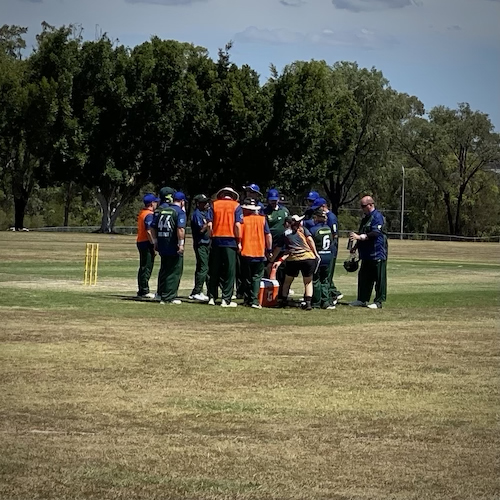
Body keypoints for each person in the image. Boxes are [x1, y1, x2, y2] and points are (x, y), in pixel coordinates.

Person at [272, 215, 320, 311]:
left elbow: (279, 248)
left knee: (288, 281)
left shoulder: (285, 234)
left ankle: (284, 300)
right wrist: (315, 253)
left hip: (293, 259)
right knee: (308, 282)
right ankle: (308, 302)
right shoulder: (302, 230)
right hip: (307, 257)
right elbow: (310, 240)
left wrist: (272, 259)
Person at [348, 195, 388, 309]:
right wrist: (355, 247)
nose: (362, 208)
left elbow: (375, 233)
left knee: (379, 278)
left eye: (364, 206)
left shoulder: (377, 216)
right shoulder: (365, 218)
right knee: (364, 277)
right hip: (365, 254)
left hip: (377, 252)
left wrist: (359, 237)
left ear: (371, 205)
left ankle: (378, 301)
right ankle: (362, 299)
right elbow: (361, 233)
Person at [207, 187, 243, 307]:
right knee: (229, 271)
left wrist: (212, 237)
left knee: (214, 269)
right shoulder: (236, 206)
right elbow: (237, 225)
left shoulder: (214, 204)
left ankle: (212, 297)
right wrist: (239, 241)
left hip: (216, 239)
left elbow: (209, 224)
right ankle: (225, 299)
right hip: (230, 240)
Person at [152, 189, 187, 305]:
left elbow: (153, 227)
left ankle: (160, 293)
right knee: (174, 270)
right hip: (172, 244)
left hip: (162, 242)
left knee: (164, 269)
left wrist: (155, 242)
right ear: (182, 201)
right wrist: (181, 244)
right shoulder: (179, 212)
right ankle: (169, 296)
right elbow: (180, 229)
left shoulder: (162, 210)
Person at [306, 197, 343, 301]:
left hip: (328, 250)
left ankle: (330, 295)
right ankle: (327, 296)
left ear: (323, 206)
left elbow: (334, 234)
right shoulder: (321, 219)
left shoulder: (331, 217)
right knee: (324, 276)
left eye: (318, 208)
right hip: (325, 250)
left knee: (325, 277)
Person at [240, 198, 273, 309]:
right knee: (257, 277)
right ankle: (254, 300)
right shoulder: (262, 220)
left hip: (246, 251)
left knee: (246, 278)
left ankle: (247, 299)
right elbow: (268, 235)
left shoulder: (243, 220)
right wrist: (269, 250)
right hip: (259, 252)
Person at [309, 209, 336, 309]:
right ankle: (326, 301)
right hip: (328, 255)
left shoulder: (313, 230)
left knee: (316, 280)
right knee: (325, 279)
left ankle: (316, 301)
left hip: (319, 256)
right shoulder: (328, 228)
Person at [264, 188, 289, 288]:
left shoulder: (284, 211)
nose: (273, 202)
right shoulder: (265, 212)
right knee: (268, 266)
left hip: (282, 245)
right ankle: (267, 288)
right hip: (270, 244)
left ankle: (281, 290)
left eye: (275, 200)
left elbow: (288, 224)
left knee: (281, 268)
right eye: (271, 200)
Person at [136, 193, 159, 299]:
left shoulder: (142, 212)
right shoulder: (149, 214)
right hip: (146, 242)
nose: (157, 204)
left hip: (141, 241)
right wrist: (154, 243)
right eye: (155, 202)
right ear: (151, 203)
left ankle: (142, 289)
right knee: (147, 267)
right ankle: (144, 290)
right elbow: (149, 231)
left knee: (143, 266)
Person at [189, 194, 211, 302]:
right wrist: (208, 223)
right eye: (204, 202)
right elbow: (201, 230)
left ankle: (202, 290)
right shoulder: (197, 214)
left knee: (202, 267)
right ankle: (196, 291)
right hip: (201, 243)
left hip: (207, 243)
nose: (207, 204)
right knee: (203, 267)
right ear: (198, 204)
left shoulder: (205, 213)